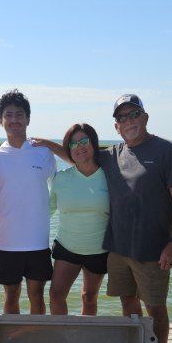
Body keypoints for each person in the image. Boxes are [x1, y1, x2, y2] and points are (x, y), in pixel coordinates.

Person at [34, 94, 172, 343]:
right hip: (118, 248)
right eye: (123, 117)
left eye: (134, 114)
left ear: (145, 117)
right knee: (128, 305)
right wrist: (49, 146)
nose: (129, 121)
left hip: (153, 249)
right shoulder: (113, 155)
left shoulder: (167, 151)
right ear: (116, 127)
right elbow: (80, 158)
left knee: (156, 309)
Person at [0, 89, 56, 314]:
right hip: (6, 242)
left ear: (28, 119)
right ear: (1, 120)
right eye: (8, 115)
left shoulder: (43, 153)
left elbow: (57, 189)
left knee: (37, 296)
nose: (14, 120)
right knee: (10, 297)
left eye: (19, 114)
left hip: (38, 241)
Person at [48, 123, 109, 315]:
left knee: (89, 298)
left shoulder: (110, 175)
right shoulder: (60, 179)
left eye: (84, 141)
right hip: (67, 248)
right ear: (68, 150)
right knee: (56, 296)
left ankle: (86, 341)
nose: (79, 146)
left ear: (93, 143)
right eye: (73, 144)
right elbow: (45, 212)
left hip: (99, 250)